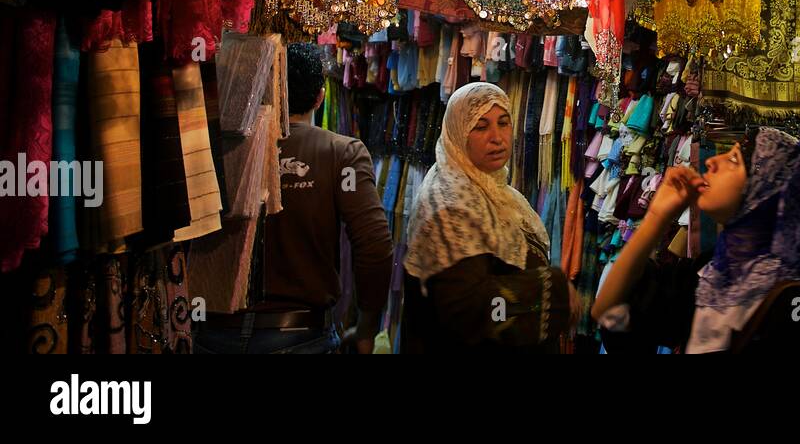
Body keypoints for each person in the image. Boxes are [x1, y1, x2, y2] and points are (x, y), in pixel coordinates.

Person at [195, 44, 393, 354]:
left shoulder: (219, 145)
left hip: (211, 331)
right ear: (320, 96)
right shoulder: (342, 153)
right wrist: (368, 325)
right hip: (300, 336)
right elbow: (375, 245)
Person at [593, 127, 800, 353]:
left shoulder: (796, 305)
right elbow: (609, 312)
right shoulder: (714, 274)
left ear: (764, 193)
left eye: (734, 160)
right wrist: (657, 217)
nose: (712, 161)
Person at [402, 81, 578, 352]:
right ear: (458, 132)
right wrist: (554, 291)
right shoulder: (450, 204)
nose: (497, 137)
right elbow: (467, 308)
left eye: (504, 123)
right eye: (481, 127)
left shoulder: (490, 189)